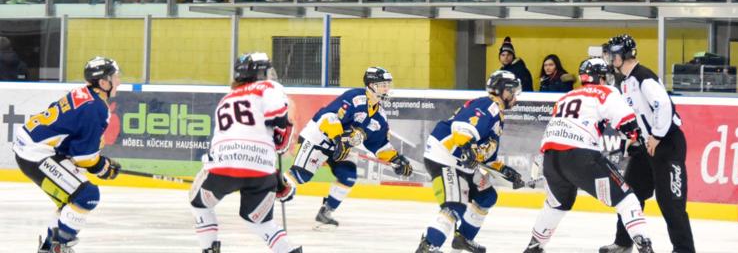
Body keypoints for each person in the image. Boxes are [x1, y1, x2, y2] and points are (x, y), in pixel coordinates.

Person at [525, 57, 653, 253]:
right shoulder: (605, 91)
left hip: (551, 158)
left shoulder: (566, 96)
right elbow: (626, 121)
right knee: (627, 200)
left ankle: (534, 247)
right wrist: (635, 138)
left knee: (555, 205)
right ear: (601, 78)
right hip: (580, 157)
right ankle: (646, 248)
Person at [189, 53, 300, 253]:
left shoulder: (226, 99)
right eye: (266, 70)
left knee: (200, 205)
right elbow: (277, 120)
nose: (270, 74)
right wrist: (275, 177)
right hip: (261, 170)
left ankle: (209, 249)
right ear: (258, 73)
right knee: (260, 222)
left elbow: (226, 140)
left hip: (223, 166)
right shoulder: (269, 87)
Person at [13, 57, 121, 252]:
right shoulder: (95, 108)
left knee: (72, 198)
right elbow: (84, 158)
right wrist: (103, 167)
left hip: (31, 147)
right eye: (115, 76)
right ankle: (59, 247)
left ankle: (49, 247)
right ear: (104, 82)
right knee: (87, 195)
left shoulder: (83, 93)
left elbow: (71, 140)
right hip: (35, 153)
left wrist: (99, 164)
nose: (119, 81)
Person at [600, 34, 694, 253]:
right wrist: (635, 137)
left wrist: (657, 136)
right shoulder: (624, 81)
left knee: (671, 202)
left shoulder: (643, 77)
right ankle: (623, 243)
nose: (609, 59)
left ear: (623, 55)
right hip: (646, 146)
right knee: (629, 195)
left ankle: (684, 250)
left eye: (612, 54)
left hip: (667, 144)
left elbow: (664, 105)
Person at [289, 67, 412, 230]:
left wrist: (396, 159)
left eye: (387, 84)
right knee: (300, 176)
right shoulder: (354, 98)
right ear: (371, 85)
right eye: (382, 84)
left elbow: (380, 144)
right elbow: (329, 117)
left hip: (340, 147)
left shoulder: (380, 116)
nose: (386, 88)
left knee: (348, 175)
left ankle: (325, 212)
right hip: (320, 138)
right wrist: (339, 139)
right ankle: (267, 192)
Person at [416, 70, 525, 253]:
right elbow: (463, 127)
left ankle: (463, 238)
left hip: (460, 163)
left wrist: (506, 171)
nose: (516, 96)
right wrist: (467, 146)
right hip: (446, 158)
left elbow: (486, 158)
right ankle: (428, 246)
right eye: (513, 91)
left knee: (486, 196)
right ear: (502, 91)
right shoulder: (488, 104)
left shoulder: (497, 114)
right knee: (455, 205)